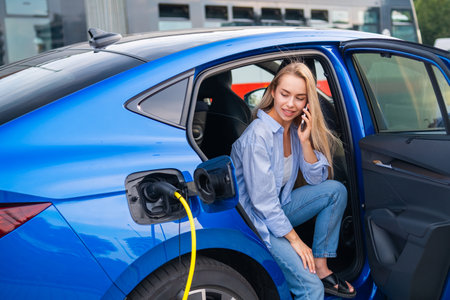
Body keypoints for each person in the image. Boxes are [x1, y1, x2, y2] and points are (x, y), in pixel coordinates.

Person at [231, 62, 356, 299]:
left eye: (299, 98)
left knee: (335, 191)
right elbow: (263, 205)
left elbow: (316, 179)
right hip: (258, 223)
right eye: (285, 94)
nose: (290, 104)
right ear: (272, 92)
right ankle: (313, 278)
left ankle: (321, 267)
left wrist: (306, 142)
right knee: (311, 289)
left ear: (308, 102)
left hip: (278, 208)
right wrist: (296, 242)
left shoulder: (294, 129)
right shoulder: (258, 136)